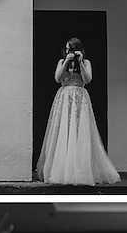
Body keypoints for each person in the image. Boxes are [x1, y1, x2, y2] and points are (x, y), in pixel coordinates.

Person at [36, 37, 121, 186]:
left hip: (80, 97)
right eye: (67, 49)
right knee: (63, 131)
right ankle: (61, 169)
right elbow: (57, 78)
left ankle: (80, 170)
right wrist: (66, 62)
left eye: (71, 49)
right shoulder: (61, 62)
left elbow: (87, 80)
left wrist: (80, 62)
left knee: (80, 131)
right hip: (64, 97)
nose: (69, 52)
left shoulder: (86, 62)